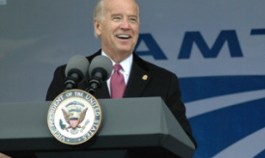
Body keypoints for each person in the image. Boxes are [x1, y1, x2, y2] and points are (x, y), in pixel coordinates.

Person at [46, 0, 196, 157]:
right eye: (117, 18)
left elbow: (184, 142)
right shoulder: (71, 75)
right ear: (98, 27)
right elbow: (48, 134)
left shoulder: (163, 80)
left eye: (132, 19)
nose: (126, 26)